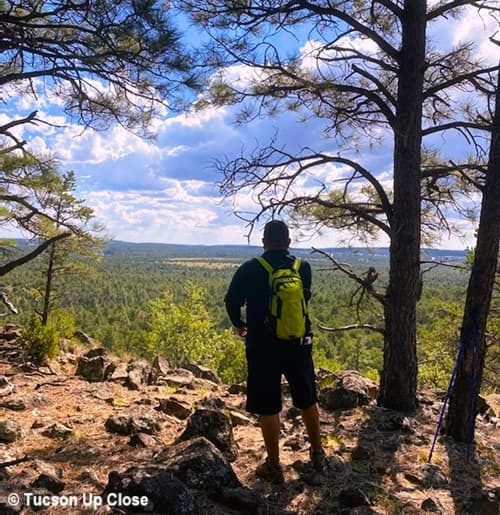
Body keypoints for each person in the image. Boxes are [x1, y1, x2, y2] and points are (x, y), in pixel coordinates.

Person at [224, 220, 325, 484]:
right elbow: (305, 298)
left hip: (262, 346)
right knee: (307, 398)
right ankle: (317, 452)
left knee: (268, 405)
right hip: (298, 343)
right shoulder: (302, 267)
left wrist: (240, 325)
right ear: (288, 242)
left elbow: (231, 301)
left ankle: (274, 464)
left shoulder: (250, 268)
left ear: (264, 241)